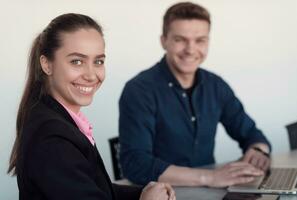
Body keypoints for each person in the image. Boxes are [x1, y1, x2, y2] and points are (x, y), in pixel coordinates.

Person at [7, 13, 176, 200]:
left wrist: (142, 193)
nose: (91, 74)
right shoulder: (52, 137)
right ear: (47, 64)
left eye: (98, 61)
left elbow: (94, 188)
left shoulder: (57, 118)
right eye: (77, 61)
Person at [119, 2, 271, 187]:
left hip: (210, 193)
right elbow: (136, 164)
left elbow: (252, 134)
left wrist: (258, 151)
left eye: (200, 40)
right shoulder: (139, 90)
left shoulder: (216, 85)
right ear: (164, 40)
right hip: (162, 193)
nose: (190, 49)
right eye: (180, 39)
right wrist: (208, 178)